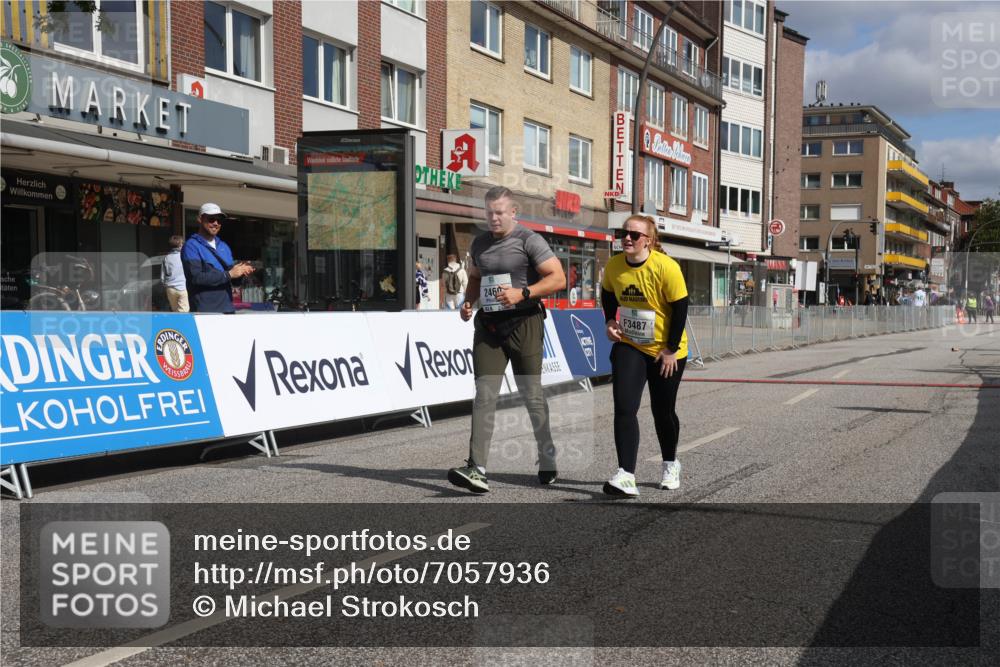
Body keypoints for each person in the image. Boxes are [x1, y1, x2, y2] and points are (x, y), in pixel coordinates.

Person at [447, 186, 566, 493]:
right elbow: (475, 277)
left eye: (499, 212)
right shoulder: (480, 242)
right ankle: (477, 467)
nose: (494, 218)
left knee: (531, 395)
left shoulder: (529, 240)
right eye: (489, 212)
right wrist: (468, 302)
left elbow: (558, 277)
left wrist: (523, 293)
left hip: (524, 322)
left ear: (513, 212)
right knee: (485, 394)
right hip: (489, 326)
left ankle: (547, 454)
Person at [601, 214, 689, 497]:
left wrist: (670, 350)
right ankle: (626, 474)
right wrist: (610, 321)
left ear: (648, 241)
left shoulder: (666, 267)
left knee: (662, 411)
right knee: (625, 407)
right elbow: (608, 295)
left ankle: (670, 463)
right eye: (623, 233)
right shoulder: (614, 266)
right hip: (631, 345)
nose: (627, 238)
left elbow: (680, 310)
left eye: (634, 235)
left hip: (667, 349)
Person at [181, 203, 255, 313]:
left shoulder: (223, 246)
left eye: (219, 220)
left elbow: (232, 281)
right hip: (205, 311)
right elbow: (196, 278)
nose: (216, 223)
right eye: (211, 219)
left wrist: (241, 273)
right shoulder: (191, 246)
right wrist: (229, 274)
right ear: (200, 219)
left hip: (227, 308)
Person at [162, 235, 189, 312]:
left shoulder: (166, 257)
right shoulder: (185, 256)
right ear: (180, 245)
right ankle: (181, 324)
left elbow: (163, 275)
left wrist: (166, 285)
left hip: (170, 289)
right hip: (182, 287)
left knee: (175, 311)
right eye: (183, 243)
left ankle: (176, 324)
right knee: (183, 312)